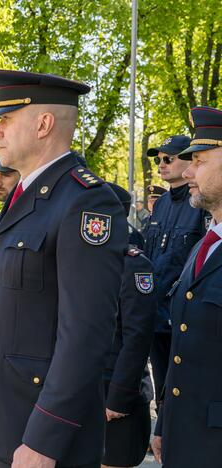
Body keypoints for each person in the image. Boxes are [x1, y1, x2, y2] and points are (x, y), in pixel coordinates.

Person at [0, 69, 128, 468]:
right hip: (3, 419)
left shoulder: (85, 202)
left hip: (42, 434)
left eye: (5, 120)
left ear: (44, 123)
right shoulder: (25, 197)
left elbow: (86, 334)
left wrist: (45, 437)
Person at [152, 106, 222, 467]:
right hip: (185, 437)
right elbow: (184, 346)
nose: (189, 170)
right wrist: (165, 422)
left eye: (199, 160)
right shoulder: (205, 244)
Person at [144, 136, 210, 410]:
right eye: (158, 159)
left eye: (168, 158)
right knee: (162, 395)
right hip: (155, 314)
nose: (161, 164)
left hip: (184, 318)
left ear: (188, 162)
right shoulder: (160, 205)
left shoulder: (200, 204)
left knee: (185, 397)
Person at [101, 183, 156, 468]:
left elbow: (137, 337)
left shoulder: (133, 264)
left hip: (118, 397)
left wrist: (119, 398)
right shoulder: (94, 261)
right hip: (91, 391)